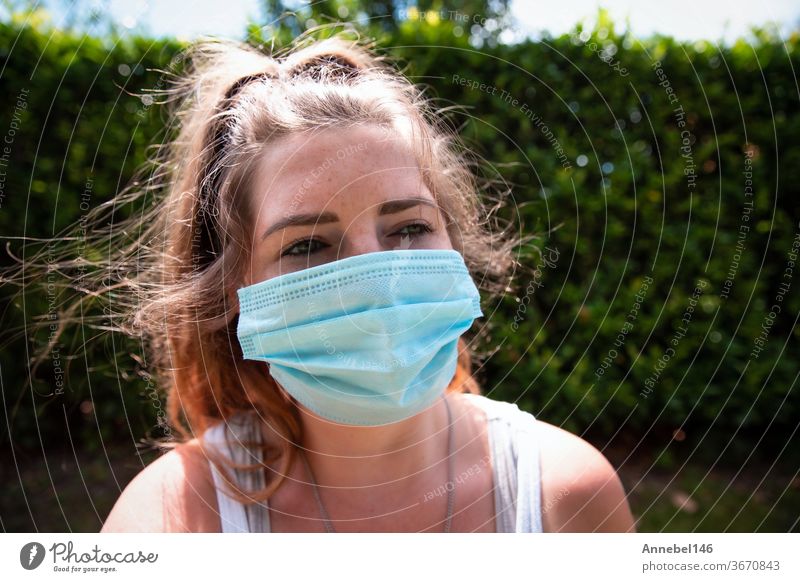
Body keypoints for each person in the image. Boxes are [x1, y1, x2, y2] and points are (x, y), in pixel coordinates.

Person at [82, 31, 635, 533]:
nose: (377, 280)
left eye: (410, 227)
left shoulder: (568, 495)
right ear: (234, 288)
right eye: (305, 245)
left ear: (454, 247)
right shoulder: (171, 522)